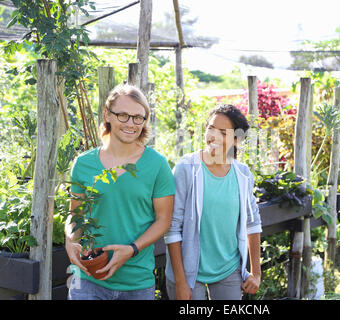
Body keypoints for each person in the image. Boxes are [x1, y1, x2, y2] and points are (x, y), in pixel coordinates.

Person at [65, 84, 175, 300]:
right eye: (123, 115)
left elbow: (163, 220)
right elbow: (75, 214)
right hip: (88, 279)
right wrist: (70, 239)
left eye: (138, 118)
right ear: (107, 114)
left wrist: (132, 249)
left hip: (136, 282)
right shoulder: (84, 164)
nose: (131, 124)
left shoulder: (157, 165)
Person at [165, 104, 262, 300]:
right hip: (189, 273)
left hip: (229, 269)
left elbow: (252, 222)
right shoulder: (186, 168)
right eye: (210, 128)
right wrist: (181, 282)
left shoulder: (242, 174)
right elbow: (172, 227)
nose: (213, 136)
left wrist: (256, 273)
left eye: (223, 132)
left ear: (237, 140)